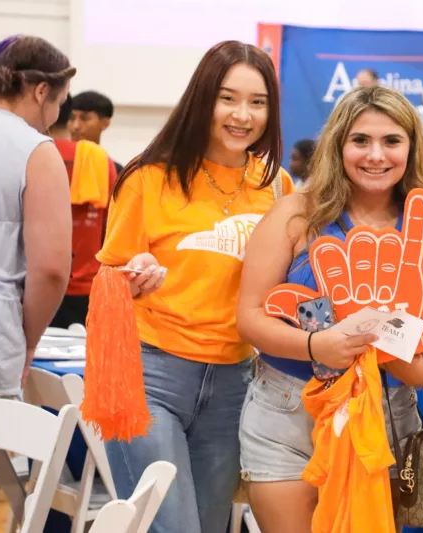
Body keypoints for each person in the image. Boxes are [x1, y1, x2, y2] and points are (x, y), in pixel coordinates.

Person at [237, 85, 423, 532]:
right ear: (338, 145)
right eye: (360, 140)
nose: (375, 155)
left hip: (383, 416)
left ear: (412, 148)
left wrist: (401, 359)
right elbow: (250, 317)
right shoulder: (294, 214)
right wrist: (315, 344)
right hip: (287, 411)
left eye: (391, 141)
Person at [96, 41, 293, 533]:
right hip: (151, 376)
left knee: (208, 526)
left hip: (235, 383)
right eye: (227, 98)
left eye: (257, 102)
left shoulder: (276, 187)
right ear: (202, 98)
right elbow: (108, 279)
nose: (242, 115)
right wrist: (133, 275)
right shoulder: (148, 177)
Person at [0, 35, 73, 487]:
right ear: (41, 91)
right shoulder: (34, 150)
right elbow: (52, 268)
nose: (55, 118)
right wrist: (28, 339)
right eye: (60, 103)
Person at [48, 95, 118, 328]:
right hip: (88, 284)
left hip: (34, 284)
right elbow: (112, 227)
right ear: (69, 118)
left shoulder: (31, 154)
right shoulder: (101, 160)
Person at [69, 90, 125, 174]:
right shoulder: (58, 162)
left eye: (84, 118)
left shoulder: (113, 170)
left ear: (105, 123)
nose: (75, 126)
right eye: (71, 118)